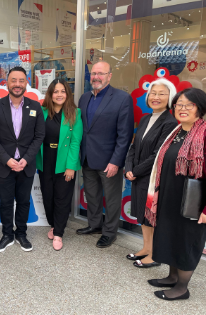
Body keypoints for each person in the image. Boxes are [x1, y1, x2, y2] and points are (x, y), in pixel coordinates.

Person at [147, 88, 206, 301]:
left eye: (189, 105)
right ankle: (172, 277)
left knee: (186, 241)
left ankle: (182, 288)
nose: (182, 109)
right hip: (170, 197)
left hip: (193, 202)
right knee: (170, 237)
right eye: (179, 104)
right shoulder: (176, 131)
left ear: (200, 108)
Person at [0, 66, 45, 253]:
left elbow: (39, 136)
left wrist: (26, 159)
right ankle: (7, 235)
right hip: (4, 165)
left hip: (26, 165)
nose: (17, 84)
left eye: (21, 80)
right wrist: (7, 160)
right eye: (14, 80)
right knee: (5, 202)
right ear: (7, 83)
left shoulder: (35, 107)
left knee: (24, 201)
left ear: (26, 82)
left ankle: (21, 233)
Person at [76, 61, 134, 249]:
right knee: (92, 195)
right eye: (93, 73)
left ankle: (109, 233)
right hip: (87, 158)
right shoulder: (84, 98)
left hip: (109, 161)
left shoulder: (122, 98)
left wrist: (116, 162)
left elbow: (125, 135)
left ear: (109, 76)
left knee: (111, 198)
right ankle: (94, 225)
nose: (96, 77)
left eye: (101, 73)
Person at [125, 78, 178, 266]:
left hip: (152, 178)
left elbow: (158, 155)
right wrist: (129, 168)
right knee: (142, 214)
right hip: (138, 176)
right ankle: (146, 248)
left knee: (151, 216)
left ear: (170, 97)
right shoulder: (146, 118)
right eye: (153, 93)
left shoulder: (170, 122)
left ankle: (155, 255)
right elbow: (134, 146)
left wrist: (136, 171)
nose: (156, 97)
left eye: (161, 94)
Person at [36, 79, 82, 251]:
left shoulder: (75, 113)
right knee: (48, 197)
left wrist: (71, 166)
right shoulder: (41, 111)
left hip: (65, 162)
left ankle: (59, 233)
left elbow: (75, 142)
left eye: (63, 91)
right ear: (50, 94)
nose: (59, 94)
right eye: (56, 91)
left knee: (62, 199)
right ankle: (53, 225)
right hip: (45, 160)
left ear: (67, 93)